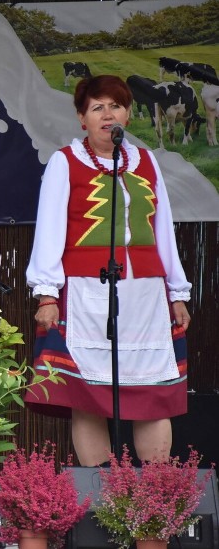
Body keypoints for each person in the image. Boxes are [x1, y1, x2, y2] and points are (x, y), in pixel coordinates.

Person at [25, 74, 191, 466]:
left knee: (151, 392)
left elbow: (162, 228)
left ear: (129, 115)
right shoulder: (65, 162)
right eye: (96, 107)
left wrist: (177, 291)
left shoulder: (146, 160)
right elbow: (49, 229)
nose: (107, 114)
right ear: (82, 118)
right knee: (89, 394)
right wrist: (47, 293)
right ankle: (102, 500)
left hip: (146, 294)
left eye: (115, 106)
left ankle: (153, 504)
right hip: (86, 292)